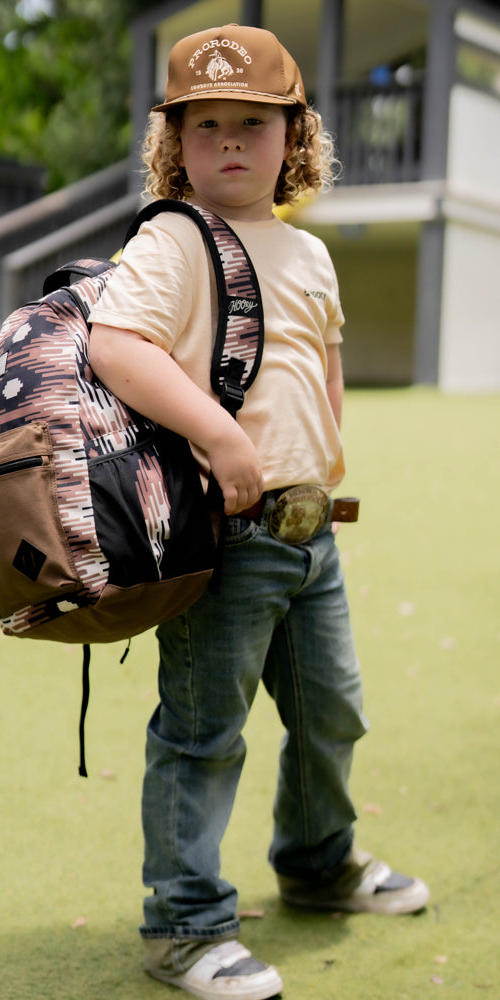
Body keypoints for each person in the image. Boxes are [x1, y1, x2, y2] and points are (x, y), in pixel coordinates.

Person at [89, 23, 430, 1000]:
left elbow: (321, 363)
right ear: (175, 143)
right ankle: (184, 924)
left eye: (254, 122)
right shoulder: (173, 238)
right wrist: (221, 434)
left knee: (333, 711)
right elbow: (117, 345)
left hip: (308, 533)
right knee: (204, 734)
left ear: (295, 137)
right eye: (206, 125)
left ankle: (317, 861)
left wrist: (323, 452)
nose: (230, 141)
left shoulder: (310, 252)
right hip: (225, 536)